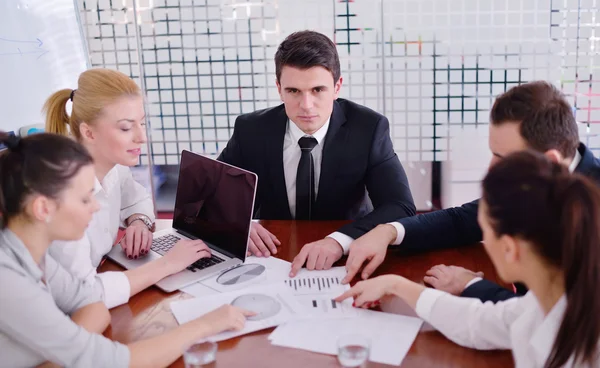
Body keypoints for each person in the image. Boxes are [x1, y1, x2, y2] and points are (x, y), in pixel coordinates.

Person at [0, 132, 252, 368]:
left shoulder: (31, 253)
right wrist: (207, 324)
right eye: (85, 198)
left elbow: (91, 301)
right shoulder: (8, 279)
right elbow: (116, 362)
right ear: (43, 208)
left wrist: (72, 354)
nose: (96, 208)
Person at [340, 81, 600, 303]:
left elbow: (550, 317)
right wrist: (389, 231)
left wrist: (471, 287)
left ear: (551, 161)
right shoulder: (540, 180)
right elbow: (463, 220)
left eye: (502, 157)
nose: (491, 168)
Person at [336, 151, 600, 368]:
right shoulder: (548, 300)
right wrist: (395, 285)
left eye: (484, 231)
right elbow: (479, 322)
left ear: (509, 248)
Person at [217, 30, 415, 273]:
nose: (306, 106)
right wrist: (237, 223)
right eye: (294, 91)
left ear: (337, 87)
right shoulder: (251, 129)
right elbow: (212, 194)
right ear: (279, 88)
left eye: (318, 90)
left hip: (344, 253)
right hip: (271, 254)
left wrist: (340, 241)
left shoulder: (369, 129)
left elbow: (400, 206)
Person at [43, 68, 212, 308]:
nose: (141, 137)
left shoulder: (112, 166)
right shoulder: (61, 193)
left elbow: (136, 199)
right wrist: (167, 264)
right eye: (126, 128)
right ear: (88, 132)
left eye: (142, 123)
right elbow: (84, 296)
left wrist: (138, 222)